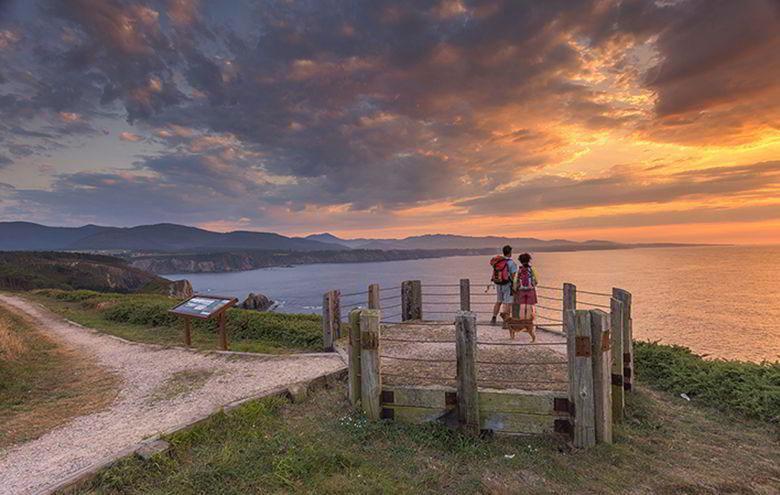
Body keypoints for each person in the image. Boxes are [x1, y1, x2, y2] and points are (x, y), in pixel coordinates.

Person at [490, 245, 518, 326]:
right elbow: (513, 277)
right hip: (507, 284)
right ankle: (505, 322)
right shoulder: (511, 263)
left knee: (498, 301)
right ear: (510, 252)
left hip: (498, 283)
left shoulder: (498, 261)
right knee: (507, 303)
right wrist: (515, 286)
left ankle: (493, 318)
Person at [513, 252, 538, 322]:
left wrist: (515, 288)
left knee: (522, 306)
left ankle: (522, 323)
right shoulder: (532, 269)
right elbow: (536, 280)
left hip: (521, 290)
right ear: (529, 260)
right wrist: (533, 284)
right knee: (529, 306)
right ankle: (527, 323)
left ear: (520, 261)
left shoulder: (519, 270)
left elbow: (515, 280)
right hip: (530, 290)